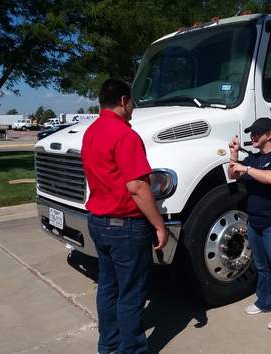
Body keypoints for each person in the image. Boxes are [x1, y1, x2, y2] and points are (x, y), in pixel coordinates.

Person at [81, 79, 168, 353]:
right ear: (122, 101)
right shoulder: (125, 135)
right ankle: (131, 349)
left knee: (108, 287)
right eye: (131, 101)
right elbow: (138, 187)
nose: (133, 106)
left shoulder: (91, 132)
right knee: (131, 293)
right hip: (125, 227)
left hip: (98, 221)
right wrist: (159, 226)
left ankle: (108, 345)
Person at [228, 118, 271, 331]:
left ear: (269, 134)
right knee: (262, 268)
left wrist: (246, 169)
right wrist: (234, 154)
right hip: (255, 223)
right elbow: (232, 175)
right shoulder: (253, 159)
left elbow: (270, 179)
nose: (252, 137)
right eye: (251, 133)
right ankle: (265, 302)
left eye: (257, 133)